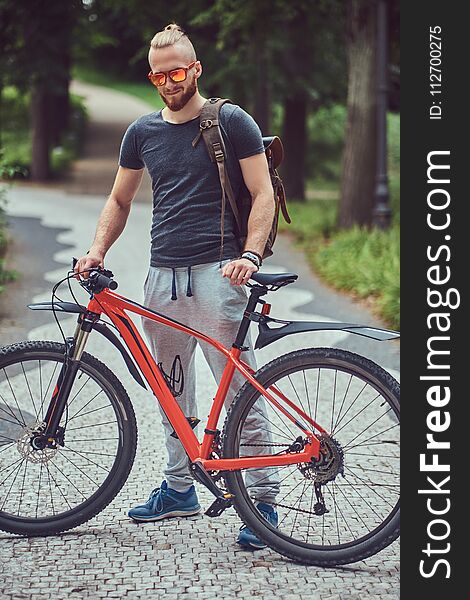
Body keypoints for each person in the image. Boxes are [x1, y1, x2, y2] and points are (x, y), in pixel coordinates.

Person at [74, 23, 279, 549]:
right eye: (160, 74)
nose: (170, 81)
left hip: (219, 274)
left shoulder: (231, 122)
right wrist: (97, 250)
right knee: (171, 388)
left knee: (240, 392)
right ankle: (178, 487)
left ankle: (262, 504)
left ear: (196, 69)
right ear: (151, 77)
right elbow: (119, 202)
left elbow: (261, 194)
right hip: (161, 277)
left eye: (178, 70)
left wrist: (250, 255)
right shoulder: (142, 132)